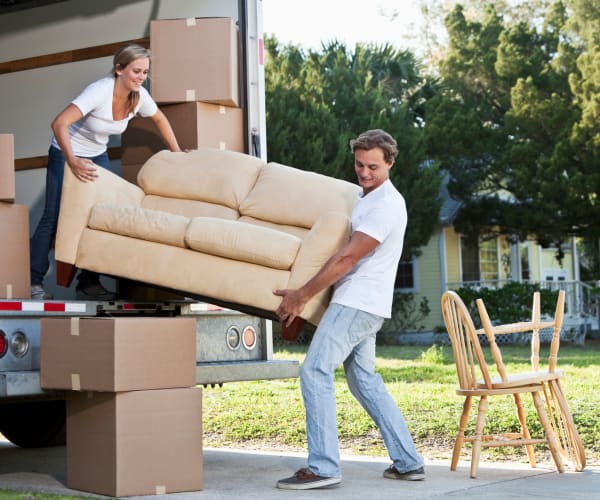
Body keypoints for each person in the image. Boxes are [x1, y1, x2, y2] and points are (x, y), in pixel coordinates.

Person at [273, 129, 425, 490]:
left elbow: (348, 257)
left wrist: (302, 295)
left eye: (373, 166)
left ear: (390, 162)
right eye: (359, 164)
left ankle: (324, 467)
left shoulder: (385, 205)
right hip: (364, 303)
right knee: (364, 381)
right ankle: (408, 462)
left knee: (314, 370)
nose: (365, 172)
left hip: (358, 302)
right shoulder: (366, 197)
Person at [30, 43, 182, 300]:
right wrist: (72, 160)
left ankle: (88, 282)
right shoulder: (99, 91)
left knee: (102, 216)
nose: (141, 78)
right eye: (136, 71)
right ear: (119, 69)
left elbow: (159, 119)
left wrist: (178, 152)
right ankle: (34, 282)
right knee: (52, 216)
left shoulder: (139, 97)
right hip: (65, 152)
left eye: (145, 72)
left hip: (97, 154)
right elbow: (59, 123)